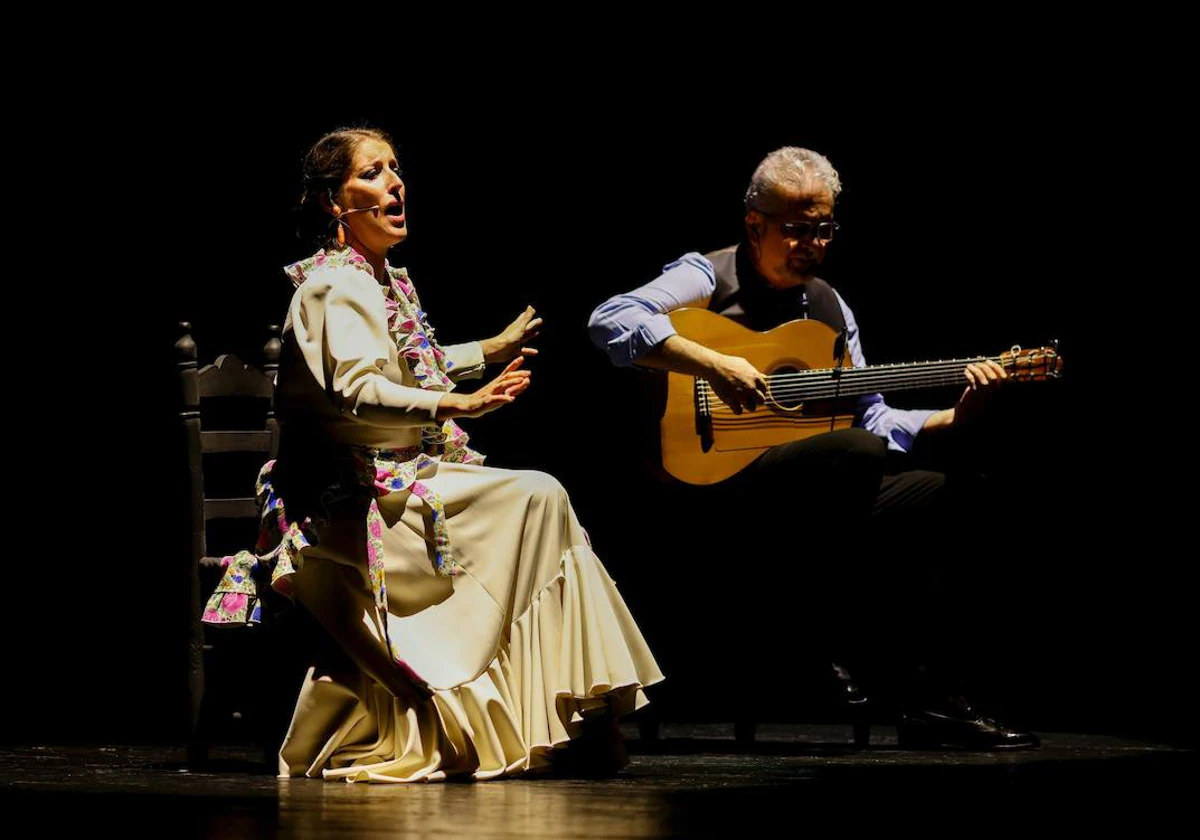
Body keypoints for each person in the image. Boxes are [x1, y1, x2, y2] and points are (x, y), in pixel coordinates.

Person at [203, 126, 662, 782]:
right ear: (336, 204)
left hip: (393, 480)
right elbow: (361, 390)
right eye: (373, 173)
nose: (395, 182)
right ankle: (570, 720)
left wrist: (487, 353)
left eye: (396, 168)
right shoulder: (334, 287)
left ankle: (578, 721)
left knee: (538, 497)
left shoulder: (379, 280)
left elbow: (409, 363)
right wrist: (463, 405)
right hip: (345, 504)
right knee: (537, 496)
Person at [587, 146, 1037, 750]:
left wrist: (957, 417)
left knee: (952, 491)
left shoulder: (829, 308)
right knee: (851, 455)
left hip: (807, 495)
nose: (812, 244)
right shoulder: (707, 275)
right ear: (755, 226)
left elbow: (874, 417)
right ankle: (810, 637)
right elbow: (610, 318)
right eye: (796, 230)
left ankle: (930, 700)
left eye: (823, 229)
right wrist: (713, 362)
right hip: (707, 488)